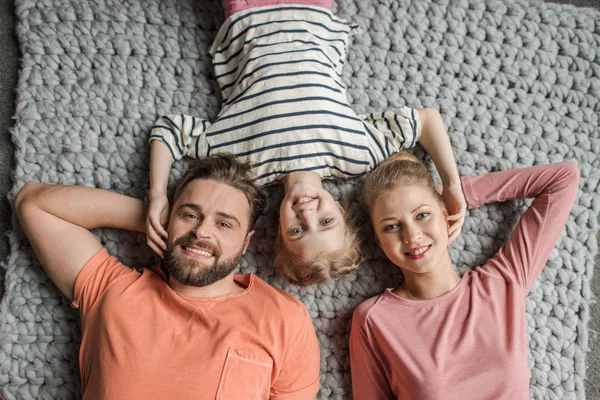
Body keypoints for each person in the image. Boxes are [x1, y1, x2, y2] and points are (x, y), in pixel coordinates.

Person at [146, 0, 466, 286]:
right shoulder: (357, 154)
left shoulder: (243, 168)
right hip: (313, 12)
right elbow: (426, 120)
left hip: (247, 15)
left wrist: (158, 194)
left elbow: (169, 132)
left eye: (297, 231)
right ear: (341, 210)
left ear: (280, 231)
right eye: (326, 221)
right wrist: (452, 184)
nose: (307, 213)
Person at [14, 154, 321, 399]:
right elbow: (34, 203)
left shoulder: (284, 318)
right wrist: (155, 217)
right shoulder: (112, 289)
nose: (201, 231)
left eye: (224, 224)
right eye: (190, 215)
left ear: (246, 243)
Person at [349, 153, 579, 399]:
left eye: (422, 215)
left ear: (444, 213)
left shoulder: (502, 283)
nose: (412, 235)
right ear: (379, 241)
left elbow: (562, 178)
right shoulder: (374, 320)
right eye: (391, 226)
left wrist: (458, 196)